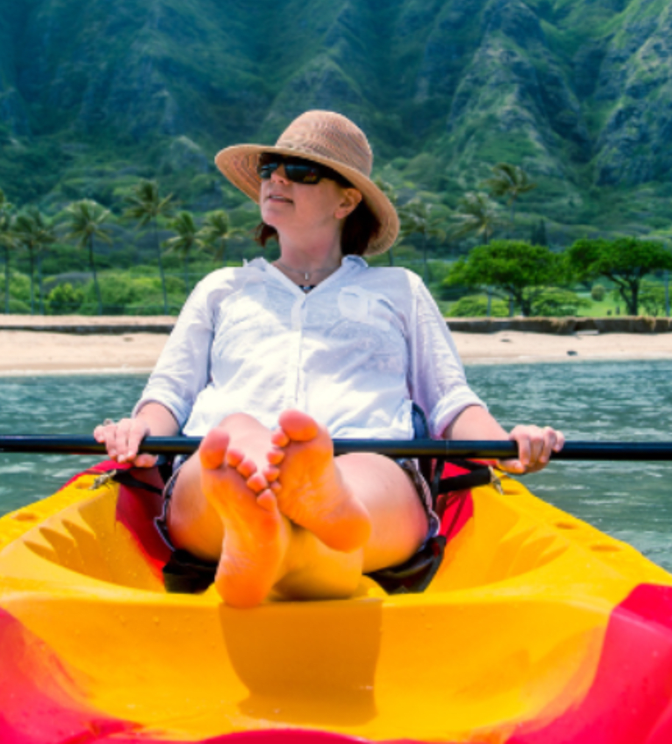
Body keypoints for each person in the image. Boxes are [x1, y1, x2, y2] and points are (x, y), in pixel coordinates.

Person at [95, 110, 563, 608]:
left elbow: (449, 400)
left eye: (300, 171)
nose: (277, 177)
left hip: (370, 464)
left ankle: (288, 523)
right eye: (271, 166)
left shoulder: (399, 290)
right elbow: (169, 393)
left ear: (346, 200)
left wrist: (504, 443)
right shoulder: (221, 289)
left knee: (357, 473)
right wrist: (138, 427)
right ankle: (284, 525)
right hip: (219, 469)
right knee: (232, 436)